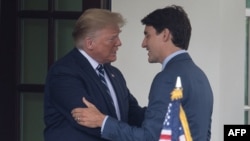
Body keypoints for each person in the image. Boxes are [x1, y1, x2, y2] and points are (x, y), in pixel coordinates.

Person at [71, 5, 214, 141]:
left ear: (165, 35)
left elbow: (149, 138)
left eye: (148, 35)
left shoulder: (167, 78)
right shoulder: (200, 77)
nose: (144, 43)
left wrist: (103, 122)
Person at [43, 8, 146, 141]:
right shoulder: (64, 73)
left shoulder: (114, 74)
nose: (119, 43)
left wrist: (166, 114)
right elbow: (89, 123)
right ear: (90, 43)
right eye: (112, 38)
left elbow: (132, 114)